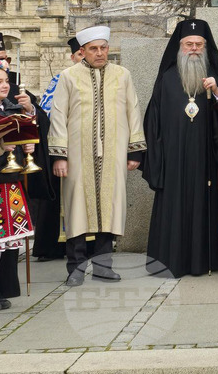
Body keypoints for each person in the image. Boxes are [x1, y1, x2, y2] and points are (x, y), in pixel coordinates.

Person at [49, 26, 146, 286]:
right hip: (77, 156)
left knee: (109, 208)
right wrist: (60, 156)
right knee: (77, 209)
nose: (100, 53)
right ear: (83, 51)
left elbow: (133, 111)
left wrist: (134, 150)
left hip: (113, 153)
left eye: (104, 48)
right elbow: (58, 116)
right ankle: (76, 268)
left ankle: (104, 266)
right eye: (94, 49)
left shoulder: (122, 75)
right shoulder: (68, 77)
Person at [141, 19, 218, 277]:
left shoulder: (214, 76)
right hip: (173, 159)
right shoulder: (167, 77)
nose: (193, 49)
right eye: (188, 44)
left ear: (206, 46)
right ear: (179, 47)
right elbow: (153, 119)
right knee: (172, 207)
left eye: (198, 44)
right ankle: (169, 262)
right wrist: (157, 157)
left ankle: (202, 262)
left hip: (203, 158)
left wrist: (217, 92)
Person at [0, 58, 36, 311]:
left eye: (6, 81)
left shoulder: (11, 107)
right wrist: (5, 144)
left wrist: (28, 143)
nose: (5, 86)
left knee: (0, 241)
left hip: (8, 180)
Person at [34, 37, 83, 262]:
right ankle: (54, 245)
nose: (84, 59)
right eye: (80, 55)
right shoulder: (60, 79)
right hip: (65, 147)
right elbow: (47, 112)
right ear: (73, 57)